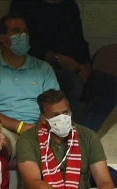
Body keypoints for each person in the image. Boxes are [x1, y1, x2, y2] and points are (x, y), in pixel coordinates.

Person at [12, 0, 117, 133]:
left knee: (112, 85)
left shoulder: (69, 5)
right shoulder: (24, 4)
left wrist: (86, 66)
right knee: (73, 82)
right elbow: (26, 44)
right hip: (42, 67)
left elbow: (80, 41)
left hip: (75, 66)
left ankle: (83, 134)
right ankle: (63, 136)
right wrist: (57, 59)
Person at [0, 15, 60, 156]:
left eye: (25, 31)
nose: (23, 35)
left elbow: (55, 105)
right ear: (2, 38)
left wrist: (40, 129)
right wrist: (19, 127)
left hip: (40, 127)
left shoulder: (43, 68)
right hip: (4, 129)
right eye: (17, 31)